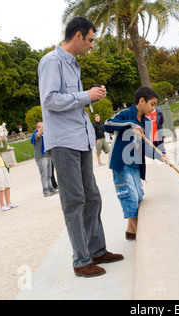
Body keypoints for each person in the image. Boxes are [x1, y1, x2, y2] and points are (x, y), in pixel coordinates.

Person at [38, 16, 123, 278]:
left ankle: (97, 250)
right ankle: (81, 261)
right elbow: (50, 100)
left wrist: (89, 95)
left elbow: (68, 101)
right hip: (63, 142)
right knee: (74, 201)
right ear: (77, 35)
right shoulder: (51, 61)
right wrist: (86, 95)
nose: (92, 45)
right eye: (90, 40)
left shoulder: (72, 64)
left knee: (92, 197)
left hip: (81, 138)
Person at [103, 87, 169, 241]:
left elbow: (146, 147)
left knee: (138, 196)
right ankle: (144, 237)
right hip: (121, 164)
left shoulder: (146, 122)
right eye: (152, 104)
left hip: (135, 166)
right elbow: (107, 124)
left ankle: (131, 232)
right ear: (141, 101)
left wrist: (161, 156)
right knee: (129, 197)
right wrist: (131, 125)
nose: (154, 108)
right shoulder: (125, 115)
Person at [31, 122, 58, 197]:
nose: (42, 128)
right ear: (37, 128)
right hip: (41, 156)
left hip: (48, 155)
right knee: (44, 174)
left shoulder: (46, 134)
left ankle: (51, 188)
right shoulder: (35, 134)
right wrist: (44, 125)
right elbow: (38, 134)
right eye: (40, 127)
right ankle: (45, 190)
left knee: (49, 174)